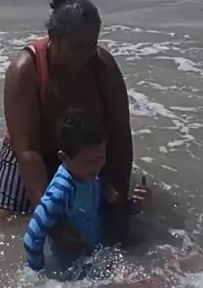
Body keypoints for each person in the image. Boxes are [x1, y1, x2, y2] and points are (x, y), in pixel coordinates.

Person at [0, 0, 133, 252]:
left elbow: (120, 134)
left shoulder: (103, 68)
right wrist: (49, 220)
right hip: (34, 149)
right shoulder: (26, 69)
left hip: (82, 149)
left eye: (92, 46)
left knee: (117, 228)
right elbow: (27, 151)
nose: (86, 55)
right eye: (77, 48)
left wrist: (119, 194)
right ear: (53, 38)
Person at [24, 110, 150, 273]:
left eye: (100, 158)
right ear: (63, 158)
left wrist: (135, 205)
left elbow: (101, 213)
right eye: (89, 162)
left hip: (95, 257)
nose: (96, 166)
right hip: (73, 268)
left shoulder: (92, 179)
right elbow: (32, 235)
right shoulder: (59, 193)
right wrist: (37, 273)